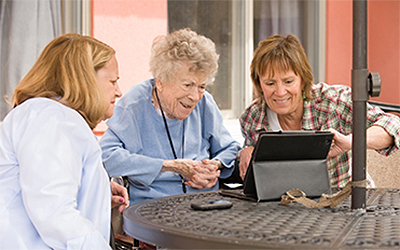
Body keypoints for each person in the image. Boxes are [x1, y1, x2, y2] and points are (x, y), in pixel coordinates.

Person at [0, 33, 128, 250]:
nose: (118, 92)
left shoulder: (47, 116)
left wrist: (97, 189)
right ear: (85, 80)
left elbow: (43, 183)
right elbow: (54, 211)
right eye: (113, 81)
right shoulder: (52, 119)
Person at [238, 34, 400, 188]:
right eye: (270, 83)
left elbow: (393, 125)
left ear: (303, 79)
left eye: (288, 81)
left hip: (345, 202)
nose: (280, 92)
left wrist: (350, 142)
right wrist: (247, 150)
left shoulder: (333, 102)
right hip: (288, 208)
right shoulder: (253, 117)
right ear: (259, 84)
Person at [100, 28, 241, 204]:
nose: (195, 96)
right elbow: (107, 156)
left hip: (206, 203)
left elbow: (229, 148)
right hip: (152, 206)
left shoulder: (205, 102)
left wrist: (214, 167)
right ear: (160, 81)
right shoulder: (135, 104)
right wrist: (170, 166)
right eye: (187, 85)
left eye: (201, 86)